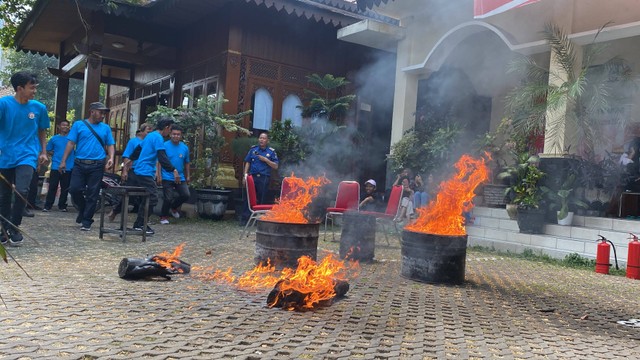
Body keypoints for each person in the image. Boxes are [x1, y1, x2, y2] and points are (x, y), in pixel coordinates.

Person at [0, 71, 49, 246]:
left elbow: (42, 130)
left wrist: (43, 151)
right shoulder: (3, 104)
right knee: (4, 194)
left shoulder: (38, 108)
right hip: (5, 155)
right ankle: (4, 228)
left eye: (35, 87)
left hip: (27, 155)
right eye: (32, 87)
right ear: (20, 88)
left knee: (22, 190)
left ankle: (15, 227)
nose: (34, 91)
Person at [60, 102, 115, 231]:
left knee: (93, 193)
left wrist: (111, 158)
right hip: (79, 163)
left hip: (97, 164)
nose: (102, 115)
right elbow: (71, 143)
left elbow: (110, 144)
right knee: (74, 189)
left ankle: (86, 220)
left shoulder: (105, 128)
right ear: (92, 111)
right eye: (100, 112)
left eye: (104, 113)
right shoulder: (79, 125)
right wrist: (63, 161)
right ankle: (83, 209)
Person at [123, 117, 179, 234]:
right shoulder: (158, 138)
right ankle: (141, 224)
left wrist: (131, 159)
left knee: (147, 198)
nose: (169, 133)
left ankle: (139, 224)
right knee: (152, 198)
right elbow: (162, 156)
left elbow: (139, 148)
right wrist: (173, 169)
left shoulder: (151, 135)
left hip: (141, 171)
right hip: (145, 172)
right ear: (166, 127)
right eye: (170, 130)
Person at [107, 123, 152, 221]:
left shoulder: (151, 142)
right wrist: (125, 171)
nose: (150, 134)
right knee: (129, 194)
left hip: (147, 172)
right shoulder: (133, 142)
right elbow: (127, 156)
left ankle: (143, 219)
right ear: (141, 131)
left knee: (147, 195)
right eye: (148, 132)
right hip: (134, 170)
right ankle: (116, 210)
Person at [242, 132, 279, 222]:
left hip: (264, 178)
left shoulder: (271, 152)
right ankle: (245, 219)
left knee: (262, 198)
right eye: (260, 138)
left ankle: (259, 220)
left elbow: (275, 166)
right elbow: (248, 162)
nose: (261, 140)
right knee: (249, 198)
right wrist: (245, 175)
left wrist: (266, 160)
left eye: (264, 138)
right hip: (252, 177)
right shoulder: (253, 149)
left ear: (267, 140)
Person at [158, 125, 191, 225]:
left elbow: (187, 162)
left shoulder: (184, 148)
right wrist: (158, 174)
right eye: (174, 134)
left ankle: (174, 207)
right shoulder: (164, 145)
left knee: (186, 194)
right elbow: (159, 161)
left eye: (178, 134)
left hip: (180, 176)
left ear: (181, 136)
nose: (176, 136)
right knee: (168, 197)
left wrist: (188, 175)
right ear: (170, 134)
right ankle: (163, 216)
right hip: (167, 175)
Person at [43, 119, 74, 212]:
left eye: (67, 125)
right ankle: (48, 205)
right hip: (56, 165)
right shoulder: (54, 139)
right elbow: (48, 150)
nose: (65, 127)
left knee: (65, 187)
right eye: (63, 125)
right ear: (59, 127)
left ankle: (62, 205)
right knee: (53, 186)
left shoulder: (72, 139)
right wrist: (55, 154)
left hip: (68, 166)